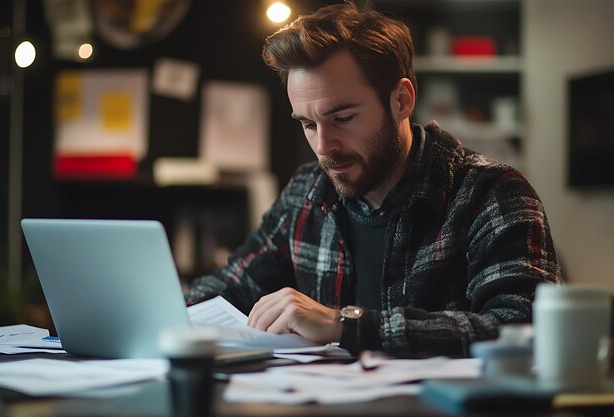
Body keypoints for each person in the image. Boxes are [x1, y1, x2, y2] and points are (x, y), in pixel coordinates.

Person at [185, 3, 561, 358]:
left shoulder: (492, 193)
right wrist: (167, 313)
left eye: (343, 118)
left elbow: (526, 330)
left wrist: (345, 324)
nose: (323, 146)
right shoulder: (306, 190)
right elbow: (229, 287)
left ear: (401, 100)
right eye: (308, 124)